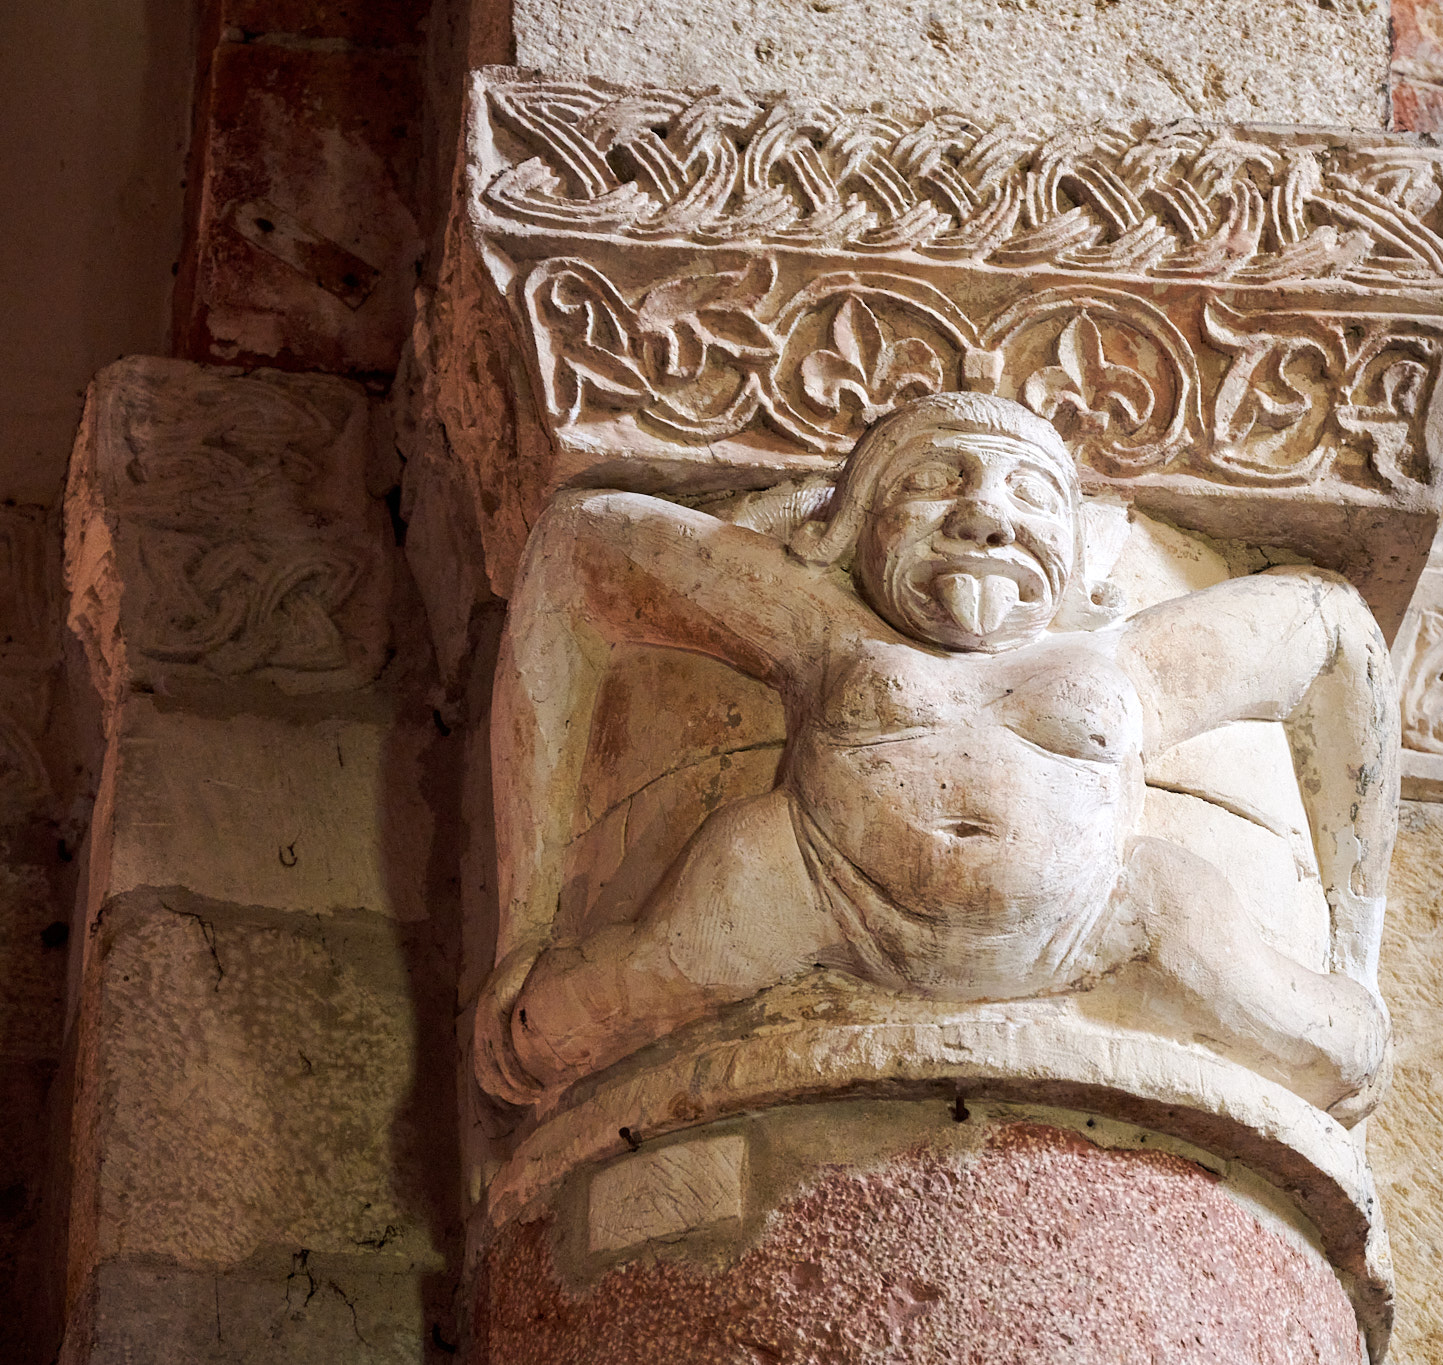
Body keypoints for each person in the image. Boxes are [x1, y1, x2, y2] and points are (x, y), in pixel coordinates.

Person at [477, 392, 1396, 1120]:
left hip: (1100, 913)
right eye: (932, 479)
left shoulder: (1125, 658)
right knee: (538, 1034)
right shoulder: (823, 626)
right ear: (853, 526)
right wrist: (524, 921)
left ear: (1079, 551)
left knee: (1340, 1048)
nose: (985, 514)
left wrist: (1358, 953)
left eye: (1030, 494)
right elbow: (580, 544)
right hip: (815, 886)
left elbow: (1332, 626)